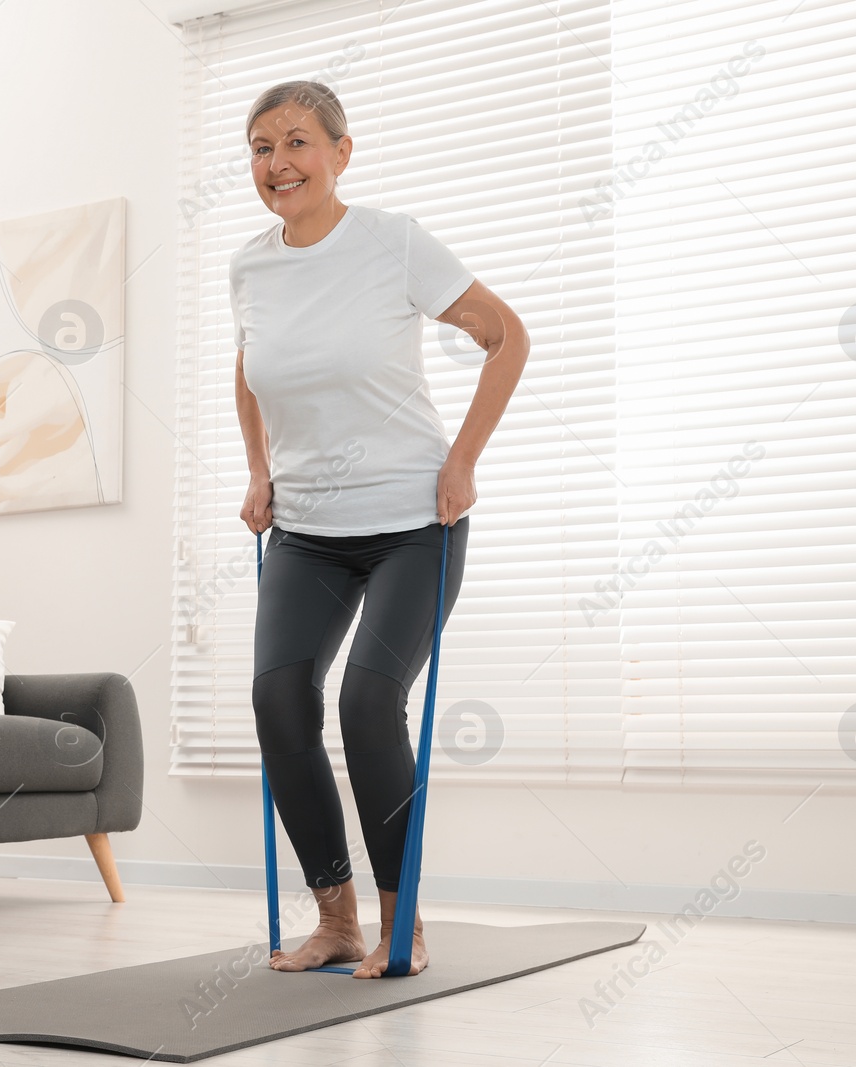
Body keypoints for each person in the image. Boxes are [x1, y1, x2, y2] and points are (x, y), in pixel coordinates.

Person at [230, 80, 530, 978]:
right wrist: (258, 470)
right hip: (308, 530)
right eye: (258, 148)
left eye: (296, 142)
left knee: (368, 701)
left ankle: (406, 924)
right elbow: (250, 373)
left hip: (413, 520)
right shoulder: (249, 265)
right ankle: (336, 919)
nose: (277, 164)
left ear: (340, 151)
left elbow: (506, 336)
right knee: (278, 700)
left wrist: (464, 460)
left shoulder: (393, 243)